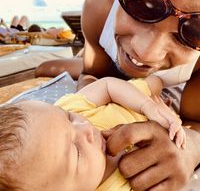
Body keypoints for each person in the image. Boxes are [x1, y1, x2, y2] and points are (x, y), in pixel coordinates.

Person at [35, 0, 200, 190]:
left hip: (167, 81)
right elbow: (95, 78)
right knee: (68, 70)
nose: (147, 52)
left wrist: (191, 149)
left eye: (194, 31)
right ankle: (70, 63)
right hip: (113, 70)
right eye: (144, 2)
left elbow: (196, 120)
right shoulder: (99, 6)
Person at [0, 75, 184, 190]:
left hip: (141, 95)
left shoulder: (66, 110)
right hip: (178, 124)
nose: (86, 127)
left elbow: (106, 86)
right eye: (76, 151)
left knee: (158, 80)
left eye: (68, 118)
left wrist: (147, 106)